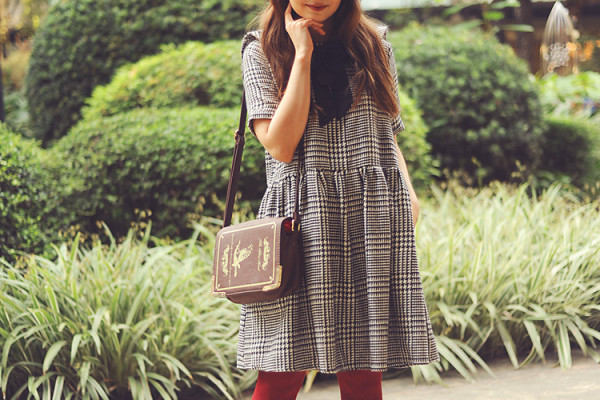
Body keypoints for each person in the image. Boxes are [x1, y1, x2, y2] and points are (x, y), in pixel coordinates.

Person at [239, 1, 439, 398]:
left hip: (370, 212)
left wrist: (409, 195)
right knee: (281, 371)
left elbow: (387, 129)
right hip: (299, 220)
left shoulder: (374, 44)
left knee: (364, 370)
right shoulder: (261, 48)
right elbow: (280, 145)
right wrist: (302, 56)